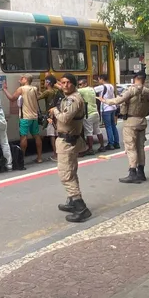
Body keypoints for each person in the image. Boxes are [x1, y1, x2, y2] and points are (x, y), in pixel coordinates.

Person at [99, 71, 149, 184]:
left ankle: (132, 172)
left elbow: (118, 101)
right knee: (140, 147)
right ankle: (141, 172)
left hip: (131, 121)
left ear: (135, 79)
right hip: (142, 120)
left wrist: (105, 101)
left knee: (131, 147)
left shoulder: (132, 90)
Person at [51, 73, 91, 222]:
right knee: (71, 172)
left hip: (67, 142)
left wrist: (54, 111)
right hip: (70, 140)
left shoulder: (72, 100)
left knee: (66, 174)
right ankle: (72, 201)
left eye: (68, 82)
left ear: (74, 84)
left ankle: (81, 207)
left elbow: (65, 118)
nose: (65, 85)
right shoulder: (71, 98)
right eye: (63, 83)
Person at [2, 74, 43, 163]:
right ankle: (39, 157)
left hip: (25, 117)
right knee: (36, 136)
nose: (20, 79)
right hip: (34, 117)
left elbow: (12, 98)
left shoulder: (21, 89)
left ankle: (21, 159)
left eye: (22, 78)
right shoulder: (35, 89)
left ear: (25, 79)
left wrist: (5, 89)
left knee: (23, 137)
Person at [78, 77, 105, 155]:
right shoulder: (92, 89)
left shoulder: (83, 90)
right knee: (98, 130)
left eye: (80, 84)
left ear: (85, 84)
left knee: (88, 132)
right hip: (95, 112)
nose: (79, 86)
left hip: (88, 113)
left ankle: (90, 149)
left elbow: (72, 90)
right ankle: (102, 146)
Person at [40, 74, 63, 160]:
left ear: (48, 83)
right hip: (57, 114)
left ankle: (55, 155)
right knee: (58, 135)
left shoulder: (47, 91)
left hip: (50, 115)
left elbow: (38, 97)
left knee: (52, 135)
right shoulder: (56, 91)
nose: (44, 83)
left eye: (45, 82)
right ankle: (60, 153)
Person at [94, 74, 120, 151]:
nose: (98, 81)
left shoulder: (101, 87)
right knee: (113, 126)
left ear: (101, 79)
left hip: (105, 108)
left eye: (98, 79)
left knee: (108, 126)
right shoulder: (111, 86)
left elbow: (92, 90)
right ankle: (116, 143)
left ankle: (110, 144)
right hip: (113, 107)